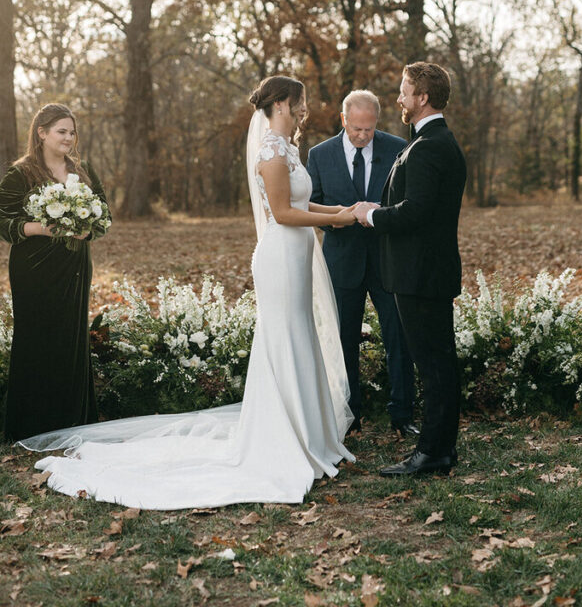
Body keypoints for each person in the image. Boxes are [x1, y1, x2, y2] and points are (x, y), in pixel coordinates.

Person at [21, 77, 358, 510]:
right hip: (280, 256)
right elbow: (284, 212)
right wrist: (337, 222)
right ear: (281, 104)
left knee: (299, 335)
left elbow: (306, 206)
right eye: (299, 103)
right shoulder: (271, 152)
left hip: (296, 253)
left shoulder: (287, 148)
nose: (303, 109)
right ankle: (283, 438)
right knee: (285, 338)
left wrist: (341, 212)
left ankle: (306, 432)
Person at [354, 62, 466, 477]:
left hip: (421, 274)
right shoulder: (428, 142)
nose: (399, 99)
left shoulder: (431, 146)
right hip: (423, 271)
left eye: (404, 91)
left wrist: (373, 216)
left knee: (434, 365)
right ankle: (440, 449)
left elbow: (416, 211)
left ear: (422, 97)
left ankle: (433, 452)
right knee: (437, 362)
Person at [307, 89, 415, 435]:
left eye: (368, 129)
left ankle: (403, 415)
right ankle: (348, 416)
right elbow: (311, 207)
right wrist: (337, 219)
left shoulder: (399, 148)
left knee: (398, 337)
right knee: (343, 339)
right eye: (356, 128)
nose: (362, 136)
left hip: (387, 261)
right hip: (341, 262)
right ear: (343, 120)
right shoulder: (319, 155)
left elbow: (406, 205)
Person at [0, 103, 109, 442]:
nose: (69, 138)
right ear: (42, 132)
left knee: (71, 339)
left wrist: (86, 229)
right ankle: (32, 425)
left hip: (75, 267)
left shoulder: (84, 170)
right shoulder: (20, 174)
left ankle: (72, 419)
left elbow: (104, 215)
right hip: (34, 269)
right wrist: (40, 228)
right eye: (61, 131)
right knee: (36, 338)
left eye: (72, 132)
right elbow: (4, 223)